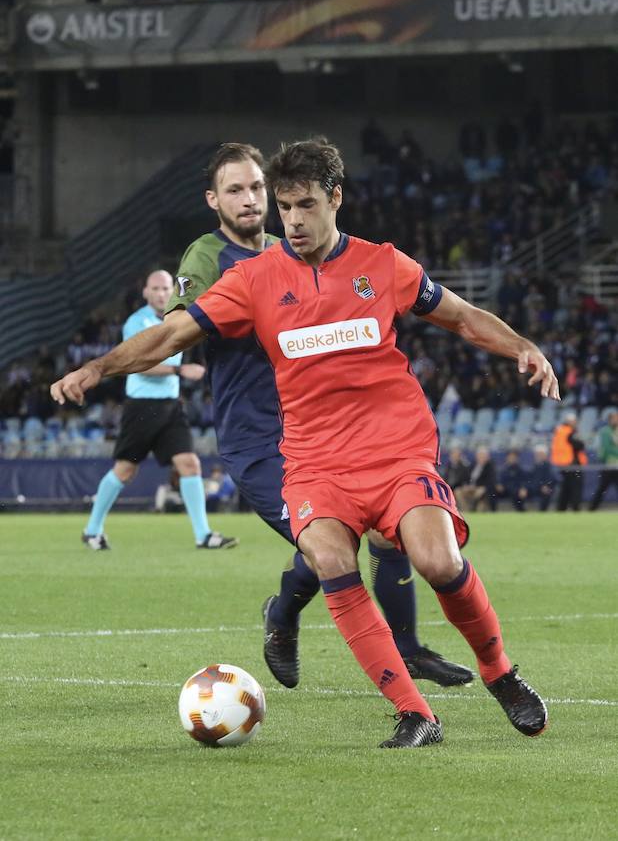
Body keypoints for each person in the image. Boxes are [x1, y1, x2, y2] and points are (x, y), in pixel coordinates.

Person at [51, 138, 560, 749]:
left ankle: (499, 672)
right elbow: (172, 334)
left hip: (396, 450)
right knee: (331, 560)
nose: (291, 219)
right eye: (285, 206)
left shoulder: (384, 264)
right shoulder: (253, 278)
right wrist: (96, 369)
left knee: (437, 561)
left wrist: (523, 347)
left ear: (335, 199)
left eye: (304, 204)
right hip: (315, 460)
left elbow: (460, 315)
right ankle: (414, 713)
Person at [163, 142, 472, 690]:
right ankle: (281, 617)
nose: (252, 199)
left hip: (321, 430)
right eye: (236, 190)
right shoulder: (208, 259)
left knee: (384, 529)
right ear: (213, 200)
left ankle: (407, 647)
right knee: (327, 546)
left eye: (258, 188)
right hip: (257, 436)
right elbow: (176, 331)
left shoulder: (296, 248)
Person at [80, 270, 237, 551]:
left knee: (190, 464)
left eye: (166, 288)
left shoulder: (176, 319)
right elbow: (138, 363)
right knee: (125, 471)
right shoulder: (136, 322)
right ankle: (92, 529)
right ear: (145, 292)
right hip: (141, 406)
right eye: (156, 288)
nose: (162, 293)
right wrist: (180, 369)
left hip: (170, 406)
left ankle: (203, 535)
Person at [551, 411, 587, 511]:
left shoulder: (560, 430)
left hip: (563, 464)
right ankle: (575, 508)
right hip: (572, 464)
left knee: (565, 489)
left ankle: (561, 509)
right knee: (575, 489)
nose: (576, 423)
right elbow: (579, 445)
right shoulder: (569, 431)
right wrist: (582, 442)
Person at [588, 410, 618, 510]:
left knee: (602, 488)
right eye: (615, 418)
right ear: (610, 420)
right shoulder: (605, 431)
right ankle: (592, 508)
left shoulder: (615, 430)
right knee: (602, 488)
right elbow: (607, 448)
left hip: (615, 465)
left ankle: (592, 508)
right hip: (608, 465)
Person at [456, 446, 498, 512]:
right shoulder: (472, 465)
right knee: (458, 491)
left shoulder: (490, 466)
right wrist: (466, 485)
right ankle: (466, 510)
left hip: (482, 489)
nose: (481, 457)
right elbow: (465, 478)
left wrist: (483, 488)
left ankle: (476, 509)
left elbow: (491, 481)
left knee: (480, 494)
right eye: (480, 455)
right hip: (470, 488)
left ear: (487, 457)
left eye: (483, 456)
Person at [527, 445, 555, 511]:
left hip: (543, 488)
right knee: (518, 493)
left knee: (546, 494)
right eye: (537, 454)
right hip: (533, 488)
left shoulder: (549, 466)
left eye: (541, 454)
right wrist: (524, 487)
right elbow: (528, 479)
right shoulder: (533, 467)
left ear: (545, 455)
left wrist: (546, 485)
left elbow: (551, 478)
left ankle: (542, 512)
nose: (539, 456)